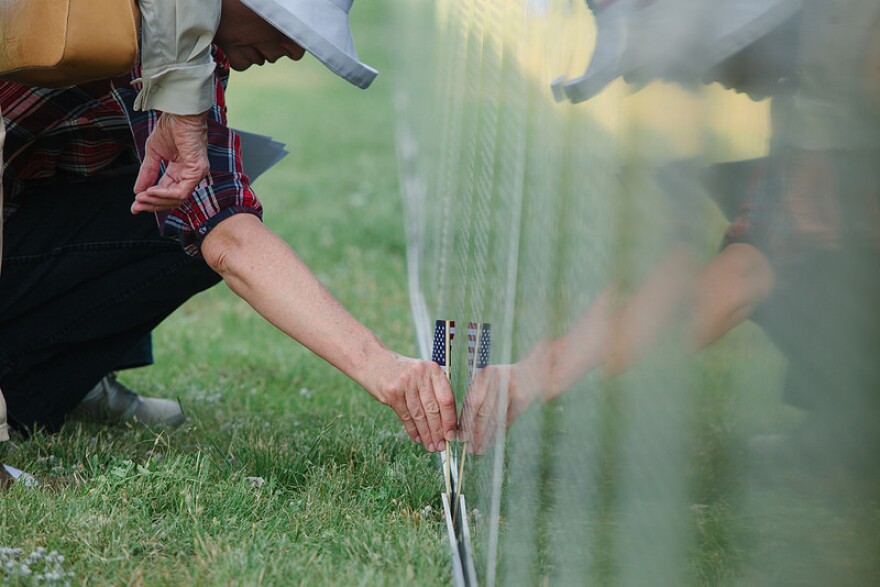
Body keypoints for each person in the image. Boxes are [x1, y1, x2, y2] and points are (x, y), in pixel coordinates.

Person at [0, 0, 458, 454]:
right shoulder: (144, 37)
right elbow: (227, 237)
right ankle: (25, 383)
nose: (294, 51)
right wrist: (377, 364)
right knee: (192, 224)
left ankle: (70, 379)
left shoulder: (192, 52)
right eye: (287, 27)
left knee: (170, 198)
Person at [463, 0, 880, 466]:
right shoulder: (809, 89)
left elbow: (740, 279)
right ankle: (850, 419)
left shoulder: (859, 50)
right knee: (788, 233)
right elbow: (741, 271)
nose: (706, 78)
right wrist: (542, 372)